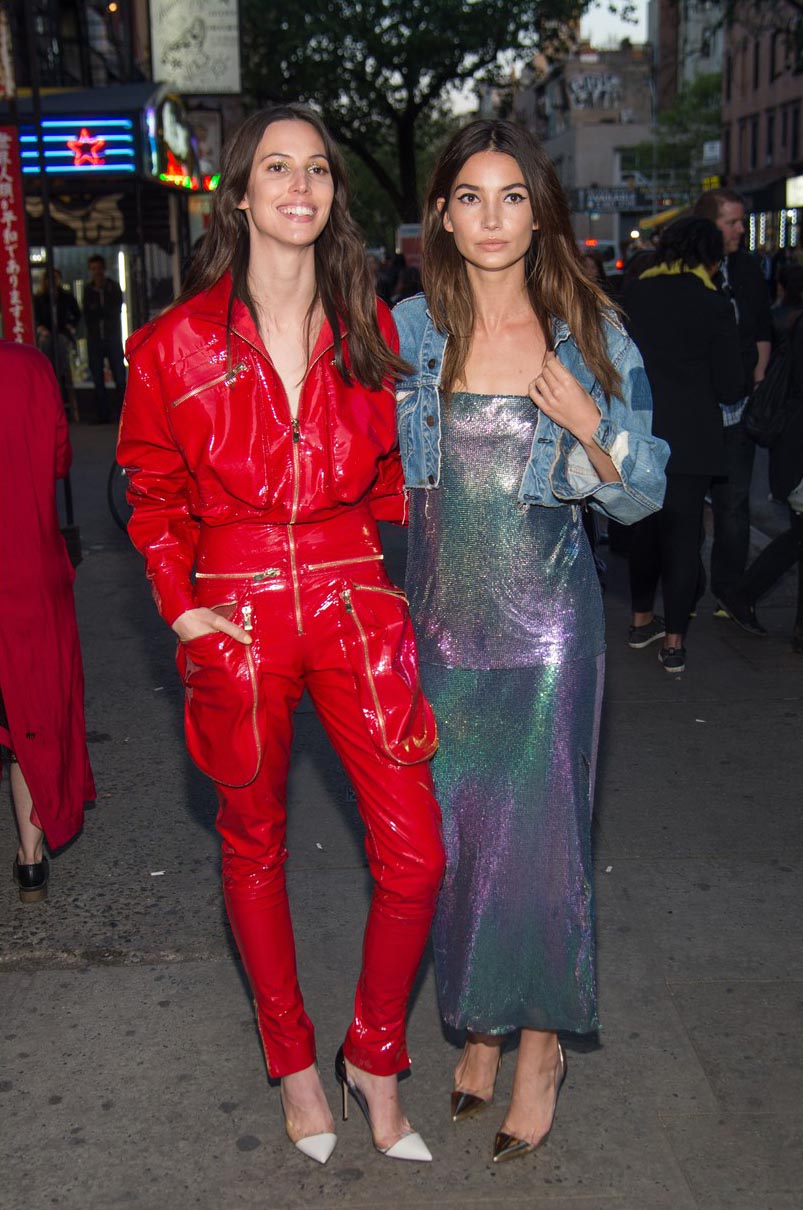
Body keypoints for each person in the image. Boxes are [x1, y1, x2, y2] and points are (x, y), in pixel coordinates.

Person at [117, 104, 444, 1167]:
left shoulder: (373, 331)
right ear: (243, 194)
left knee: (416, 854)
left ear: (330, 196)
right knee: (250, 841)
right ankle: (293, 1057)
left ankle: (375, 1052)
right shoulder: (173, 343)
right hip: (238, 609)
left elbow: (395, 479)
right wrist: (180, 603)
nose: (299, 185)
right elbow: (151, 488)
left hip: (354, 603)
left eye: (316, 169)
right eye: (276, 167)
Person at [393, 119, 668, 1163]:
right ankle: (479, 1020)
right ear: (443, 214)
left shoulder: (586, 329)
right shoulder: (411, 332)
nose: (492, 217)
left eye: (512, 196)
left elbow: (642, 493)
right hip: (443, 633)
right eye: (470, 196)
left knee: (544, 846)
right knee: (458, 844)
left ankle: (540, 1043)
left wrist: (590, 428)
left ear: (539, 213)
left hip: (550, 628)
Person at [622, 217, 744, 672]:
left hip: (640, 431)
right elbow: (731, 385)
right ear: (711, 258)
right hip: (692, 436)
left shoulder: (635, 294)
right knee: (683, 537)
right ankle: (674, 642)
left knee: (643, 531)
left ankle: (639, 622)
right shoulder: (714, 303)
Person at [0, 342, 96, 903]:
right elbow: (59, 459)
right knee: (29, 718)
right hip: (26, 573)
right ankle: (30, 860)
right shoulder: (31, 366)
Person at [692, 189, 772, 631]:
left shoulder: (746, 268)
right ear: (709, 224)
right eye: (731, 222)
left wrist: (757, 379)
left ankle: (730, 589)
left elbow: (760, 327)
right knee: (686, 509)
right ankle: (689, 587)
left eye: (741, 222)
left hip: (740, 406)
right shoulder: (690, 272)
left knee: (734, 505)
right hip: (698, 410)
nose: (740, 230)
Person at [83, 254, 126, 423]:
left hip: (112, 337)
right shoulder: (88, 290)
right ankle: (103, 414)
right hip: (95, 338)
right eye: (93, 269)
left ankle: (124, 414)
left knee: (119, 376)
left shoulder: (113, 287)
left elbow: (113, 309)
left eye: (99, 268)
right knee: (97, 377)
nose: (97, 272)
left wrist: (100, 311)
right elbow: (88, 313)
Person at [34, 268, 81, 417]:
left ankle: (58, 375)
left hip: (62, 334)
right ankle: (51, 375)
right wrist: (40, 328)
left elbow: (77, 314)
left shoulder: (66, 297)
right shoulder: (39, 298)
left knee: (61, 347)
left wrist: (71, 326)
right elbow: (35, 317)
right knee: (46, 346)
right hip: (47, 334)